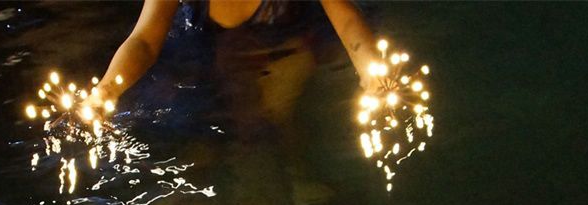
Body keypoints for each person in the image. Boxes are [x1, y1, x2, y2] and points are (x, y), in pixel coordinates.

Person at [87, 0, 378, 115]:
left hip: (288, 41)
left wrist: (372, 74)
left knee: (277, 108)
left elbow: (346, 20)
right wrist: (107, 89)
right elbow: (144, 41)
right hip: (201, 48)